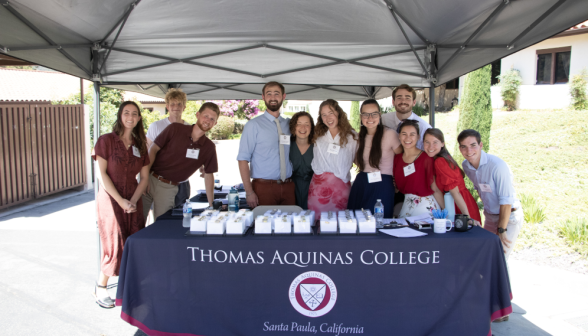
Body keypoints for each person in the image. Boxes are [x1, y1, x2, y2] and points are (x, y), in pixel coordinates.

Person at [458, 129, 523, 323]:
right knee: (487, 259)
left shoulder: (497, 166)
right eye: (463, 147)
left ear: (481, 145)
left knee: (500, 260)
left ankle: (502, 310)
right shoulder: (466, 165)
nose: (468, 151)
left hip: (508, 217)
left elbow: (506, 202)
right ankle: (489, 300)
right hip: (490, 216)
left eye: (472, 145)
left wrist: (501, 230)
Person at [92, 101, 150, 308]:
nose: (130, 117)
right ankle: (101, 287)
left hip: (132, 199)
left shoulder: (140, 144)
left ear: (139, 118)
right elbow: (101, 174)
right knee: (114, 243)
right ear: (120, 115)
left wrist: (133, 201)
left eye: (135, 114)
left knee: (133, 241)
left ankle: (129, 287)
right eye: (126, 113)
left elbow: (144, 178)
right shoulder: (106, 140)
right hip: (110, 198)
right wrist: (121, 201)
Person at [142, 102, 219, 220]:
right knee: (136, 222)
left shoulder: (209, 147)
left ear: (215, 123)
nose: (208, 120)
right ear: (198, 115)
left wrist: (211, 204)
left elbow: (209, 175)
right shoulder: (175, 128)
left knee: (161, 226)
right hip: (150, 178)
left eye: (212, 119)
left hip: (169, 187)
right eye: (206, 116)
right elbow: (153, 149)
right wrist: (145, 178)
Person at [238, 81, 295, 208]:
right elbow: (242, 159)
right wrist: (249, 192)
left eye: (277, 94)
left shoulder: (290, 124)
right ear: (263, 97)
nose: (273, 97)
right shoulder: (253, 125)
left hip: (289, 187)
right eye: (269, 94)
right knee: (264, 226)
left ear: (283, 96)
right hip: (264, 188)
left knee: (289, 226)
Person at [347, 99, 402, 218]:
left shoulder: (390, 134)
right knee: (356, 222)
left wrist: (398, 180)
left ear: (380, 114)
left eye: (374, 114)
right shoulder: (358, 137)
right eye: (365, 114)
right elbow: (358, 160)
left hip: (383, 183)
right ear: (361, 117)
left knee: (378, 222)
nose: (370, 118)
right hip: (362, 182)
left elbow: (402, 158)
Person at [308, 99, 358, 216]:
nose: (328, 118)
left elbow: (359, 158)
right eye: (323, 115)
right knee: (318, 221)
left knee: (340, 222)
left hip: (341, 188)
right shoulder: (317, 135)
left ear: (338, 113)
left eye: (331, 113)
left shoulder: (352, 136)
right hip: (319, 186)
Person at [145, 88, 192, 209]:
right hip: (160, 181)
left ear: (184, 107)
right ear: (167, 106)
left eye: (179, 104)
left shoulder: (190, 129)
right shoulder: (156, 126)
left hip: (182, 183)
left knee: (180, 219)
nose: (176, 106)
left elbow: (193, 154)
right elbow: (147, 151)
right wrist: (144, 178)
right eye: (172, 104)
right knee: (161, 220)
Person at [423, 128, 481, 224]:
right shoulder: (434, 160)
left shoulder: (440, 161)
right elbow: (436, 190)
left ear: (442, 144)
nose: (430, 146)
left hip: (462, 204)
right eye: (427, 142)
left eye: (435, 142)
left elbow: (455, 192)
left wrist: (468, 218)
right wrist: (447, 212)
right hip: (454, 203)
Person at [393, 120, 443, 218]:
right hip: (407, 206)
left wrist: (448, 213)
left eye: (412, 134)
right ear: (399, 136)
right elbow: (397, 187)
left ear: (418, 137)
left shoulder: (426, 158)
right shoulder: (397, 159)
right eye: (404, 134)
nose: (408, 138)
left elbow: (435, 189)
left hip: (426, 207)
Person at [381, 84, 431, 150]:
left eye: (407, 98)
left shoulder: (424, 128)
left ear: (414, 102)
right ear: (393, 102)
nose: (403, 101)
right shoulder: (383, 120)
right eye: (399, 98)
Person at [289, 111, 315, 209]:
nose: (303, 128)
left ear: (311, 127)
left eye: (307, 124)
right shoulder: (287, 146)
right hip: (290, 190)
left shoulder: (317, 146)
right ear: (293, 127)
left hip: (312, 189)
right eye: (298, 124)